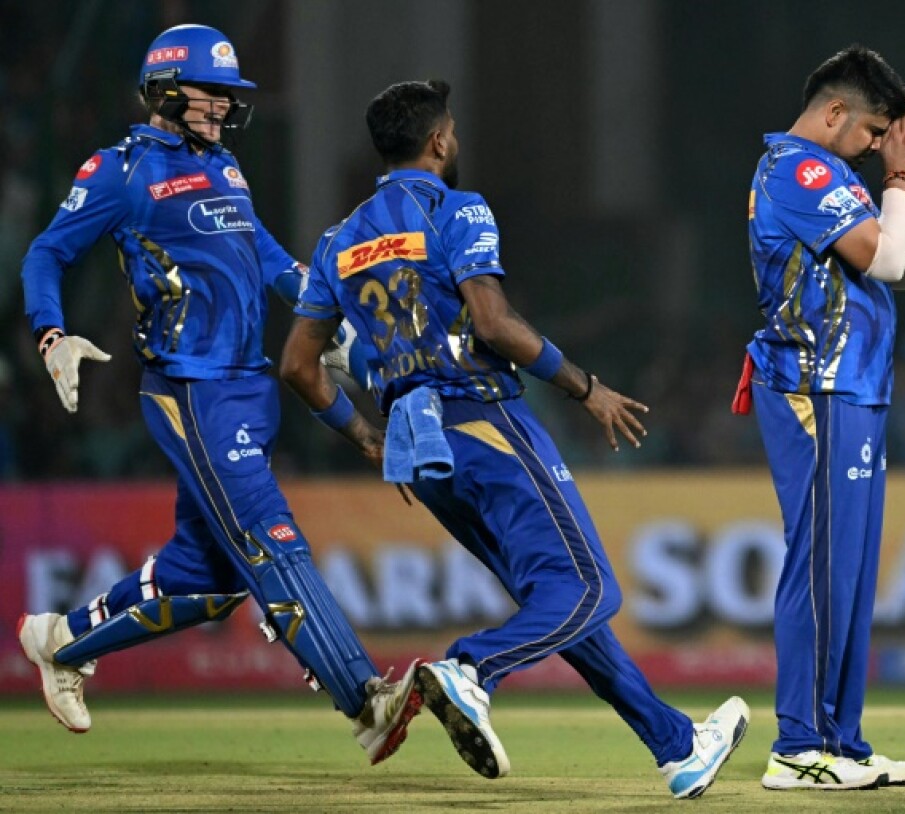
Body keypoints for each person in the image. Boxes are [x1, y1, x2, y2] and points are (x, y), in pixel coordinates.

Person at [280, 79, 749, 799]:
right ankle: (470, 668)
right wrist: (587, 390)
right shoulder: (457, 209)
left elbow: (299, 366)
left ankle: (676, 746)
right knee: (589, 587)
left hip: (421, 451)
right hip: (482, 420)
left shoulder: (338, 242)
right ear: (439, 141)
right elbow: (494, 324)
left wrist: (368, 439)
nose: (456, 141)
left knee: (556, 603)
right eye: (454, 131)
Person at [16, 24, 417, 765]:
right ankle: (366, 701)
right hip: (189, 390)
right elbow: (46, 251)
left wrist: (325, 314)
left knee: (206, 578)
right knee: (270, 536)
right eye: (213, 92)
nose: (226, 107)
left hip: (248, 385)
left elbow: (263, 253)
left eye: (231, 95)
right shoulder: (120, 170)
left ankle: (63, 641)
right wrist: (51, 335)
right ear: (167, 90)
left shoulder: (227, 166)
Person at [731, 45, 905, 790]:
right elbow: (885, 259)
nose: (879, 144)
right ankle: (797, 746)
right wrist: (900, 181)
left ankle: (841, 741)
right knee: (818, 566)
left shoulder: (836, 173)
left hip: (856, 388)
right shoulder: (800, 170)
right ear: (835, 111)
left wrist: (900, 183)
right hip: (816, 388)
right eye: (874, 130)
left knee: (847, 570)